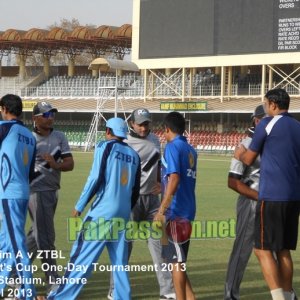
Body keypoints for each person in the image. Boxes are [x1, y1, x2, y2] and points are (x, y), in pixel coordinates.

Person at [47, 117, 141, 300]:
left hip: (103, 212)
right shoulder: (134, 155)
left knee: (82, 258)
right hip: (123, 214)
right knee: (120, 263)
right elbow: (135, 190)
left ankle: (60, 297)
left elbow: (95, 178)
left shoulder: (104, 147)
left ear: (108, 131)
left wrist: (79, 205)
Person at [235, 88, 300, 300]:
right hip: (293, 197)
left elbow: (249, 158)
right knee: (283, 250)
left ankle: (279, 298)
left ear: (272, 104)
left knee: (262, 250)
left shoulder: (266, 123)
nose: (265, 107)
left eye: (265, 104)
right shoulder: (298, 126)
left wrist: (239, 153)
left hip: (272, 196)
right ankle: (289, 296)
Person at [107, 108, 175, 300]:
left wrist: (161, 182)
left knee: (161, 246)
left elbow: (158, 165)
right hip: (130, 202)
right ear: (132, 124)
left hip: (153, 202)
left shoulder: (155, 140)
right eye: (141, 124)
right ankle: (114, 290)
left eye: (147, 123)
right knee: (123, 248)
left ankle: (167, 291)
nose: (144, 127)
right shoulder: (124, 142)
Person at [26, 101, 74, 288]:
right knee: (46, 236)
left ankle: (13, 271)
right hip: (35, 191)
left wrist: (56, 165)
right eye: (46, 115)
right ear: (35, 118)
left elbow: (70, 164)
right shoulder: (28, 138)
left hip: (52, 190)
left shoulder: (60, 136)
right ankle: (53, 279)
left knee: (36, 235)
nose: (50, 118)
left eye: (52, 114)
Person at [224, 105, 265, 300]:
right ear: (256, 121)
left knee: (276, 250)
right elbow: (232, 181)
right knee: (242, 249)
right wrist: (259, 197)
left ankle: (285, 293)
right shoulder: (246, 144)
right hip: (251, 201)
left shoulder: (274, 141)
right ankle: (231, 294)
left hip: (273, 203)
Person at [154, 111, 197, 300]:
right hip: (187, 209)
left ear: (167, 129)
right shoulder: (191, 150)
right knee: (177, 260)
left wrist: (161, 209)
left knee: (176, 263)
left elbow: (175, 178)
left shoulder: (172, 147)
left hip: (175, 212)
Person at [0, 94, 37, 299]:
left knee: (16, 243)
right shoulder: (30, 136)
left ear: (4, 108)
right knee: (6, 241)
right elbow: (31, 172)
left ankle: (26, 292)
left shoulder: (4, 128)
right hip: (23, 192)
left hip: (9, 193)